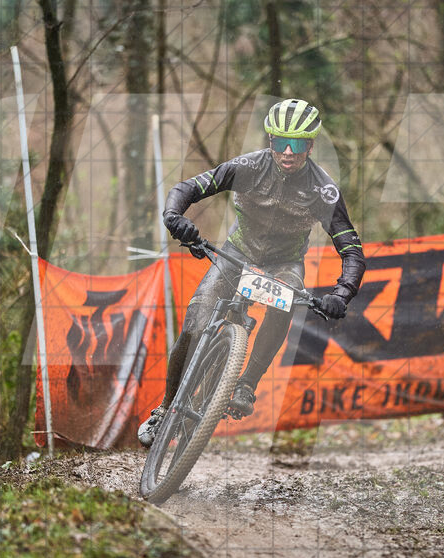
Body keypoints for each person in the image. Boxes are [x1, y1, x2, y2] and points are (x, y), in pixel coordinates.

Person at [139, 98, 365, 447]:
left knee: (286, 299)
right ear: (269, 141)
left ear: (310, 145)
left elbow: (351, 250)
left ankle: (247, 384)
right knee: (195, 323)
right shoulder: (247, 166)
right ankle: (166, 406)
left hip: (284, 262)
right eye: (279, 142)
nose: (288, 152)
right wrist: (175, 217)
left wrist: (341, 294)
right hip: (236, 253)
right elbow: (185, 189)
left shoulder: (323, 190)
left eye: (298, 144)